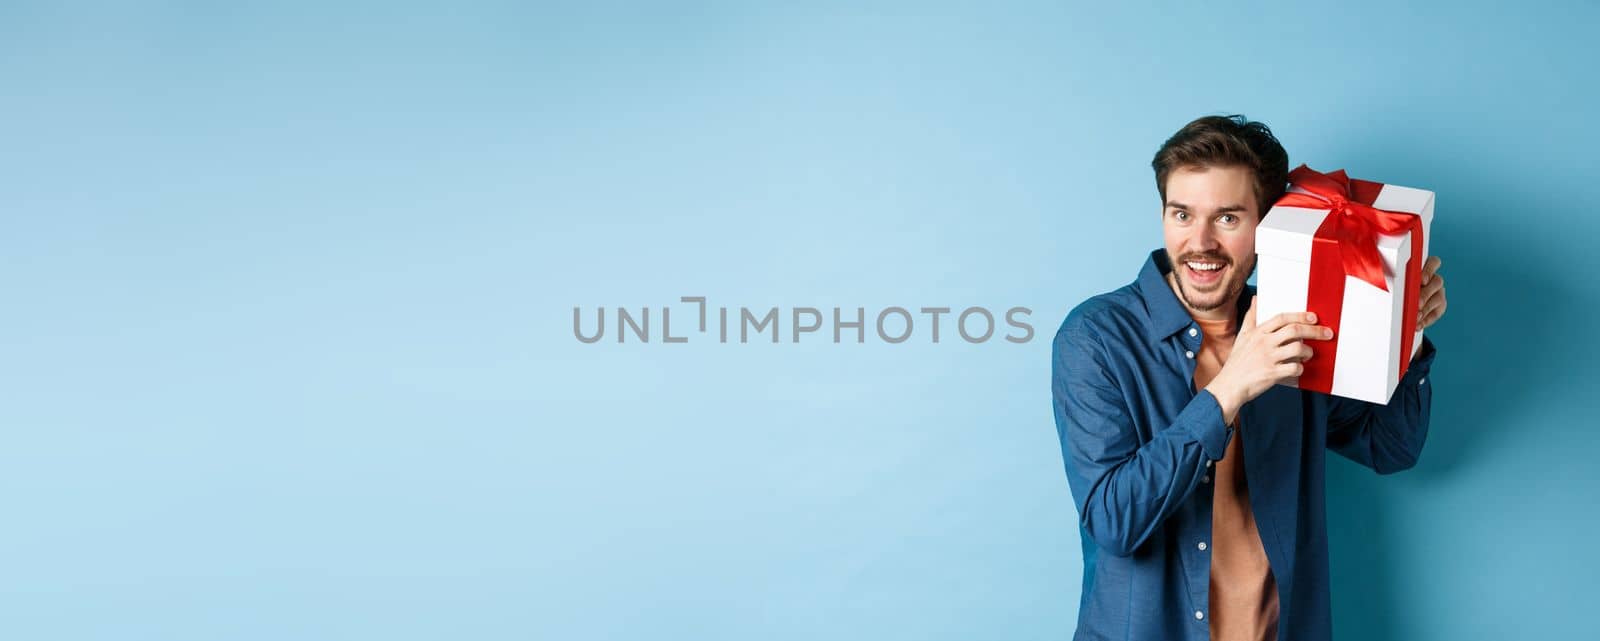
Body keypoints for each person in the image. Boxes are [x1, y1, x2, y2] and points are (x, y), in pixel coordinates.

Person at [1049, 115, 1449, 641]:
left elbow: (1391, 448)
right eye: (1182, 214)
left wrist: (1409, 335)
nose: (1200, 242)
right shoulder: (1095, 338)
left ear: (1267, 224)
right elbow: (1113, 521)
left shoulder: (1298, 327)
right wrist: (1229, 390)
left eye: (1228, 218)